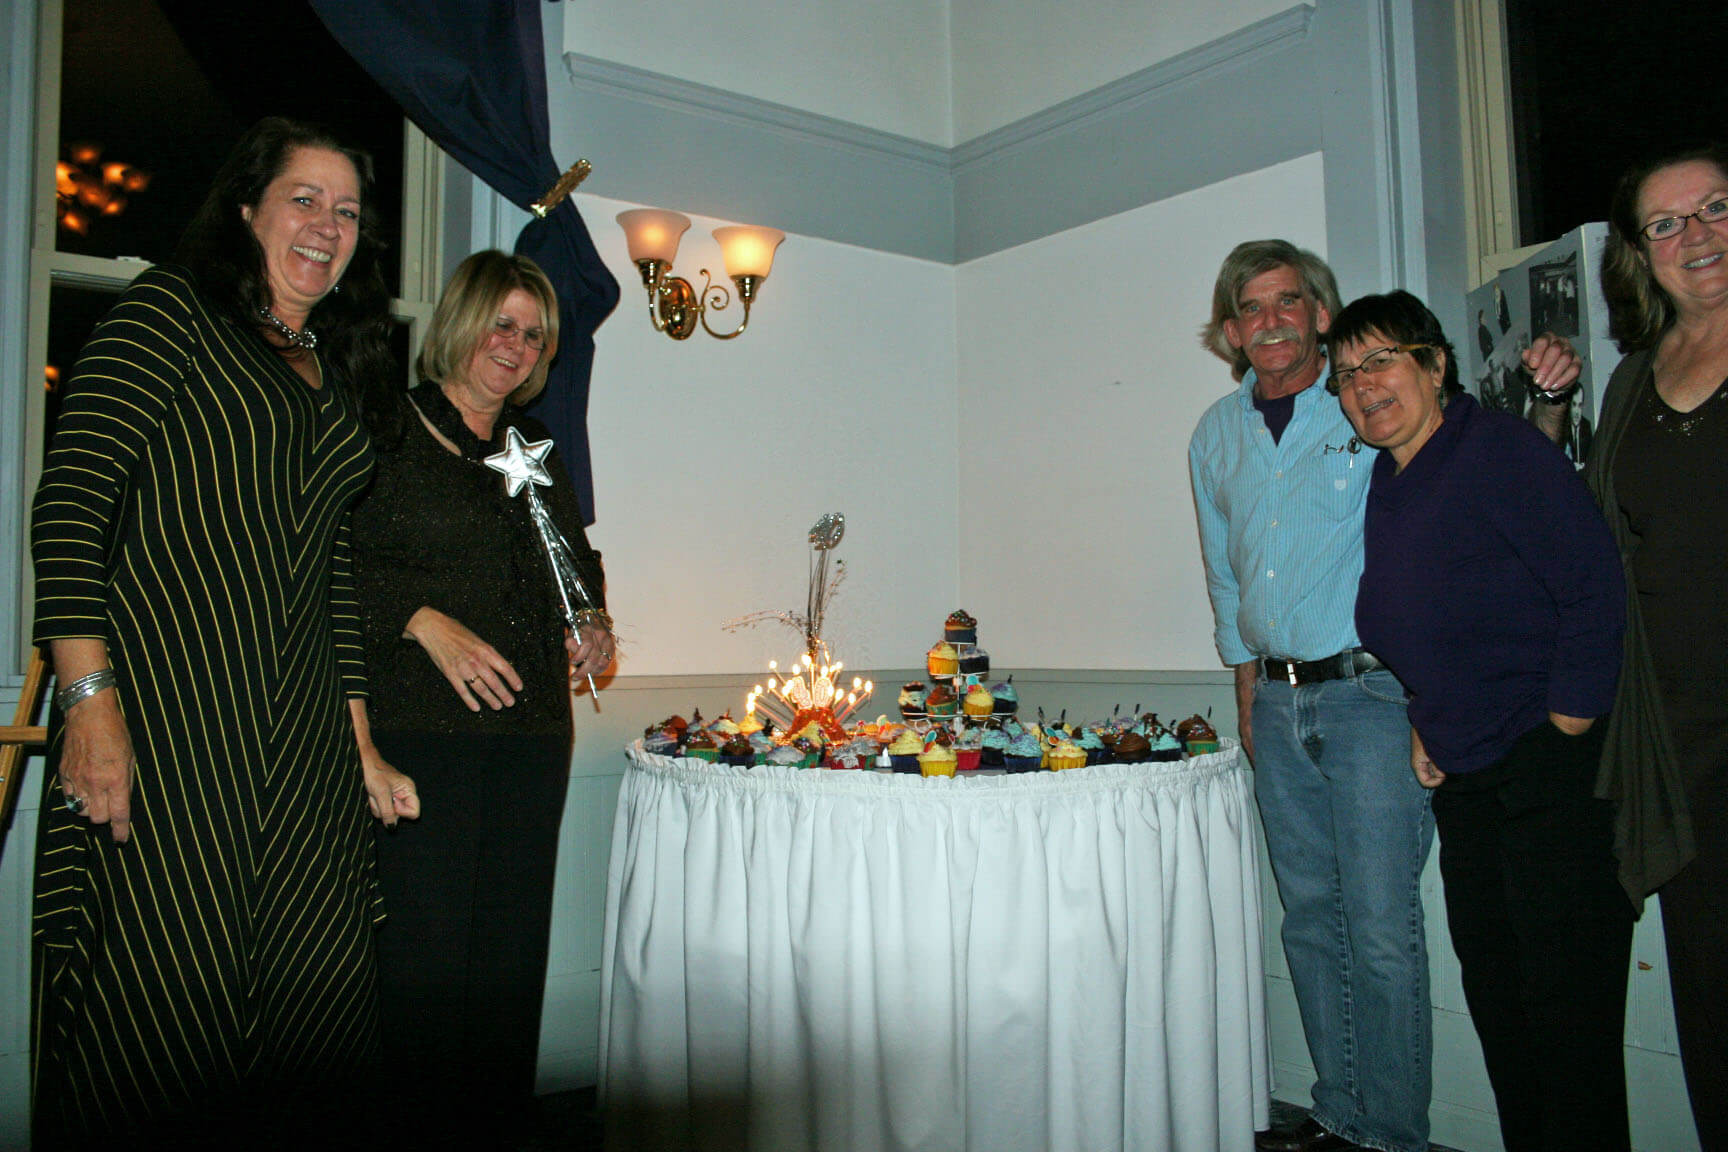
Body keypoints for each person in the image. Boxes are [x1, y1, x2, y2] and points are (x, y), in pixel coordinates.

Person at [29, 117, 419, 1146]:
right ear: (246, 209)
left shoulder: (329, 372)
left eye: (347, 213)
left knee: (312, 1009)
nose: (327, 227)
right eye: (304, 199)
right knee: (161, 1008)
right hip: (173, 722)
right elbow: (69, 508)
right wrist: (89, 705)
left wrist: (361, 743)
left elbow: (328, 574)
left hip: (296, 751)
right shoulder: (171, 313)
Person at [1188, 240, 1579, 1152]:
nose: (1271, 320)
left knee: (1382, 929)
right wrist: (1247, 696)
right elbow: (1225, 575)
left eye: (1289, 301)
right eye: (1251, 307)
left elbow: (1469, 477)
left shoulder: (1369, 401)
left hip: (1374, 699)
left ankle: (1392, 1133)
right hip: (1277, 709)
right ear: (1233, 329)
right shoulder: (1215, 434)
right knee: (1312, 924)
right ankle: (1339, 1112)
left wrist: (1549, 409)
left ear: (1321, 313)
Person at [1334, 290, 1631, 1152]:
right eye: (1347, 374)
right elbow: (1430, 619)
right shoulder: (1392, 480)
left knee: (1566, 1035)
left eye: (1381, 359)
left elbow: (1592, 589)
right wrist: (1429, 715)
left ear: (1434, 364)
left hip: (1548, 781)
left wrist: (1566, 729)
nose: (1363, 385)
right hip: (1470, 786)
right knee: (1507, 1021)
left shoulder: (1495, 448)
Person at [349, 249, 614, 1144]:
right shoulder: (384, 430)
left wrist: (596, 622)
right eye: (502, 323)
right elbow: (326, 565)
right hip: (419, 736)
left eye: (533, 334)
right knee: (422, 966)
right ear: (460, 323)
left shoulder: (532, 456)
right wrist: (423, 617)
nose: (516, 345)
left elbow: (576, 567)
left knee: (507, 959)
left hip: (534, 733)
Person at [1561, 141, 1728, 1151]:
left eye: (1714, 208)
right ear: (1640, 253)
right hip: (1679, 749)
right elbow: (1588, 546)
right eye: (1666, 223)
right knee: (1710, 1005)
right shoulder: (1630, 382)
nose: (1694, 235)